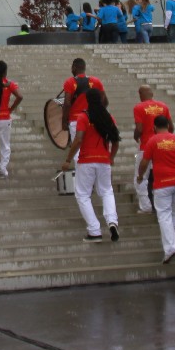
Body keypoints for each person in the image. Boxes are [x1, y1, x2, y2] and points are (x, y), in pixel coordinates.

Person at [59, 83, 120, 243]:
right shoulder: (108, 117)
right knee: (106, 191)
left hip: (86, 160)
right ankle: (112, 221)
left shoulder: (83, 117)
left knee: (83, 195)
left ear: (86, 100)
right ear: (101, 99)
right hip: (104, 161)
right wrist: (111, 157)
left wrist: (68, 160)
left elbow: (78, 139)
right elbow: (116, 140)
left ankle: (94, 230)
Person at [137, 114, 175, 264]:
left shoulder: (153, 141)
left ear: (154, 127)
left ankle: (170, 248)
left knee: (164, 215)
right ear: (168, 125)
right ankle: (172, 240)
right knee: (174, 211)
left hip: (163, 183)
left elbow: (144, 162)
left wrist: (140, 176)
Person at [131, 85, 171, 214]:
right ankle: (164, 205)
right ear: (152, 94)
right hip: (162, 146)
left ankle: (146, 206)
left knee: (140, 176)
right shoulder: (163, 106)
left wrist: (136, 136)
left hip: (146, 146)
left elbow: (140, 128)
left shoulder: (138, 107)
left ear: (140, 94)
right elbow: (171, 126)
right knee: (162, 175)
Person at [61, 57, 107, 148]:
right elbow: (105, 102)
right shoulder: (96, 81)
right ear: (84, 68)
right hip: (92, 120)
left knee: (77, 149)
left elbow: (67, 103)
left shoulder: (70, 82)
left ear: (74, 68)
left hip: (76, 120)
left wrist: (64, 121)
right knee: (90, 147)